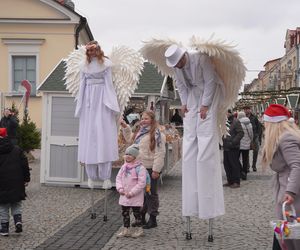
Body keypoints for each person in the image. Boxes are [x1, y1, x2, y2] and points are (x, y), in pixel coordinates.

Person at [164, 44, 225, 219]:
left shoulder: (201, 58)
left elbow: (211, 82)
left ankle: (204, 162)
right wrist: (183, 103)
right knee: (190, 132)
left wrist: (205, 105)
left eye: (178, 63)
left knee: (205, 131)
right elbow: (181, 87)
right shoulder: (177, 69)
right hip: (192, 95)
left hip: (208, 93)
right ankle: (190, 158)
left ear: (184, 56)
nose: (177, 67)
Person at [75, 40, 120, 188]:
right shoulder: (84, 66)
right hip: (89, 100)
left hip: (101, 98)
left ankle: (105, 175)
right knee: (90, 134)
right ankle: (91, 175)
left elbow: (109, 84)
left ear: (98, 50)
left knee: (103, 132)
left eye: (93, 50)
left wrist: (111, 103)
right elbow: (82, 84)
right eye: (89, 51)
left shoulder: (105, 64)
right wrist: (80, 104)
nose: (91, 53)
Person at [262, 104, 300, 250]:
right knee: (282, 237)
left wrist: (290, 191)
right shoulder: (284, 136)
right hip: (286, 193)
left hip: (291, 197)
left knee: (289, 239)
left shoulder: (286, 138)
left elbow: (297, 165)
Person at [120, 111, 166, 229]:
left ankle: (153, 218)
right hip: (138, 167)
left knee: (150, 194)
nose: (143, 120)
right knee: (141, 194)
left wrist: (156, 170)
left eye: (146, 118)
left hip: (150, 168)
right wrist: (125, 127)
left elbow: (160, 153)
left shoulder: (157, 134)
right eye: (142, 118)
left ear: (152, 120)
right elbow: (130, 140)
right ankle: (141, 217)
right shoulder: (140, 131)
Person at [0, 128, 30, 236]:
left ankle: (4, 229)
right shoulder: (17, 149)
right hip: (17, 181)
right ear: (6, 135)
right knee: (16, 203)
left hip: (2, 183)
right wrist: (26, 179)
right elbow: (25, 165)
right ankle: (18, 221)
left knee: (3, 206)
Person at [116, 144, 147, 238]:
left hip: (135, 196)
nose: (128, 156)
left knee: (137, 213)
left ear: (135, 156)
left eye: (130, 154)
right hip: (124, 194)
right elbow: (118, 178)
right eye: (126, 154)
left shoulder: (140, 168)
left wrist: (132, 192)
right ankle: (126, 229)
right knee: (125, 213)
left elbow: (141, 183)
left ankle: (140, 230)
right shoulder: (124, 167)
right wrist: (120, 188)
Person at [222, 110, 244, 188]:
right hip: (226, 147)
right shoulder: (224, 121)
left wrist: (233, 142)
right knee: (226, 164)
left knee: (234, 165)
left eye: (225, 112)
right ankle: (230, 180)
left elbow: (241, 133)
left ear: (229, 113)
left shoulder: (236, 121)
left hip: (233, 147)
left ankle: (236, 182)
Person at [244, 106, 262, 172]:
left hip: (254, 137)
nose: (246, 110)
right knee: (246, 152)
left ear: (250, 110)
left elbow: (259, 127)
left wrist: (257, 135)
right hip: (247, 138)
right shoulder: (243, 118)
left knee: (256, 151)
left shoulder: (254, 118)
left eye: (248, 109)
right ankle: (247, 166)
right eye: (245, 109)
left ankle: (254, 165)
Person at [237, 111, 253, 180]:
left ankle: (240, 171)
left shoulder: (238, 123)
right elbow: (251, 133)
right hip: (246, 144)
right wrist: (250, 140)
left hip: (239, 143)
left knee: (236, 158)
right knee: (245, 159)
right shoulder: (249, 123)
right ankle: (245, 173)